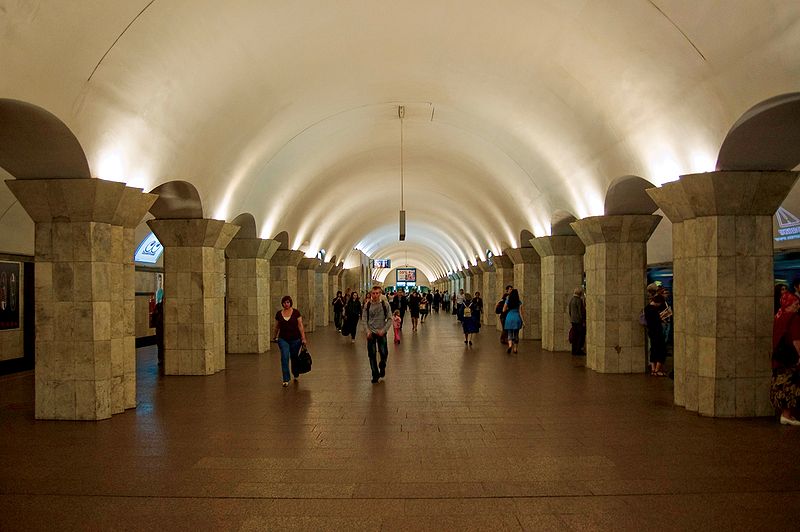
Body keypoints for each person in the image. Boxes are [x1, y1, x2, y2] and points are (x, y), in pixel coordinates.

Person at [770, 291, 800, 425]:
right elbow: (796, 340)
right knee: (791, 385)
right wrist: (799, 355)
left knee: (781, 385)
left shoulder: (778, 315)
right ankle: (787, 415)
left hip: (779, 357)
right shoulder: (794, 318)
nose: (798, 306)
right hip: (790, 357)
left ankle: (785, 414)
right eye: (796, 303)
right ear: (789, 304)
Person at [272, 295, 307, 387]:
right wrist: (274, 337)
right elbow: (276, 326)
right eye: (284, 303)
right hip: (283, 339)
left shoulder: (296, 313)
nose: (286, 304)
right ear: (282, 304)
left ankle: (295, 372)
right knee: (284, 356)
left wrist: (303, 338)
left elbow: (300, 326)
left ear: (290, 302)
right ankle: (286, 379)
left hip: (295, 339)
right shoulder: (279, 314)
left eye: (287, 302)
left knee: (294, 357)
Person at [363, 286, 392, 383]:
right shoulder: (367, 305)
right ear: (371, 294)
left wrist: (384, 330)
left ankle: (382, 365)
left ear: (380, 294)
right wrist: (367, 331)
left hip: (381, 332)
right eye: (373, 293)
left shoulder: (385, 304)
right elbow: (364, 319)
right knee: (372, 354)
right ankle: (375, 374)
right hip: (371, 332)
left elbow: (389, 319)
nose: (375, 295)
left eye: (377, 293)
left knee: (384, 352)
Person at [644, 294, 668, 376]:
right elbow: (657, 321)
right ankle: (657, 370)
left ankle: (653, 369)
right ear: (659, 302)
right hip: (657, 332)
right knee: (661, 350)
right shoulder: (654, 310)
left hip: (651, 331)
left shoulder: (647, 308)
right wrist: (663, 318)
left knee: (653, 349)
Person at [503, 288, 524, 353]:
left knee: (509, 333)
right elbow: (521, 312)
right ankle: (515, 349)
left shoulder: (508, 300)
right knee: (516, 334)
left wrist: (508, 308)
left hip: (509, 317)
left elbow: (504, 310)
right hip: (517, 317)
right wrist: (523, 321)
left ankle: (510, 345)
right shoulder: (519, 301)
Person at [568, 287, 586, 355]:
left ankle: (574, 350)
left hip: (573, 320)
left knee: (574, 336)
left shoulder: (572, 300)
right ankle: (578, 350)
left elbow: (569, 310)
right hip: (578, 321)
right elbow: (580, 311)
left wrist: (572, 317)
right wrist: (583, 320)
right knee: (580, 336)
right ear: (580, 293)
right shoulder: (579, 300)